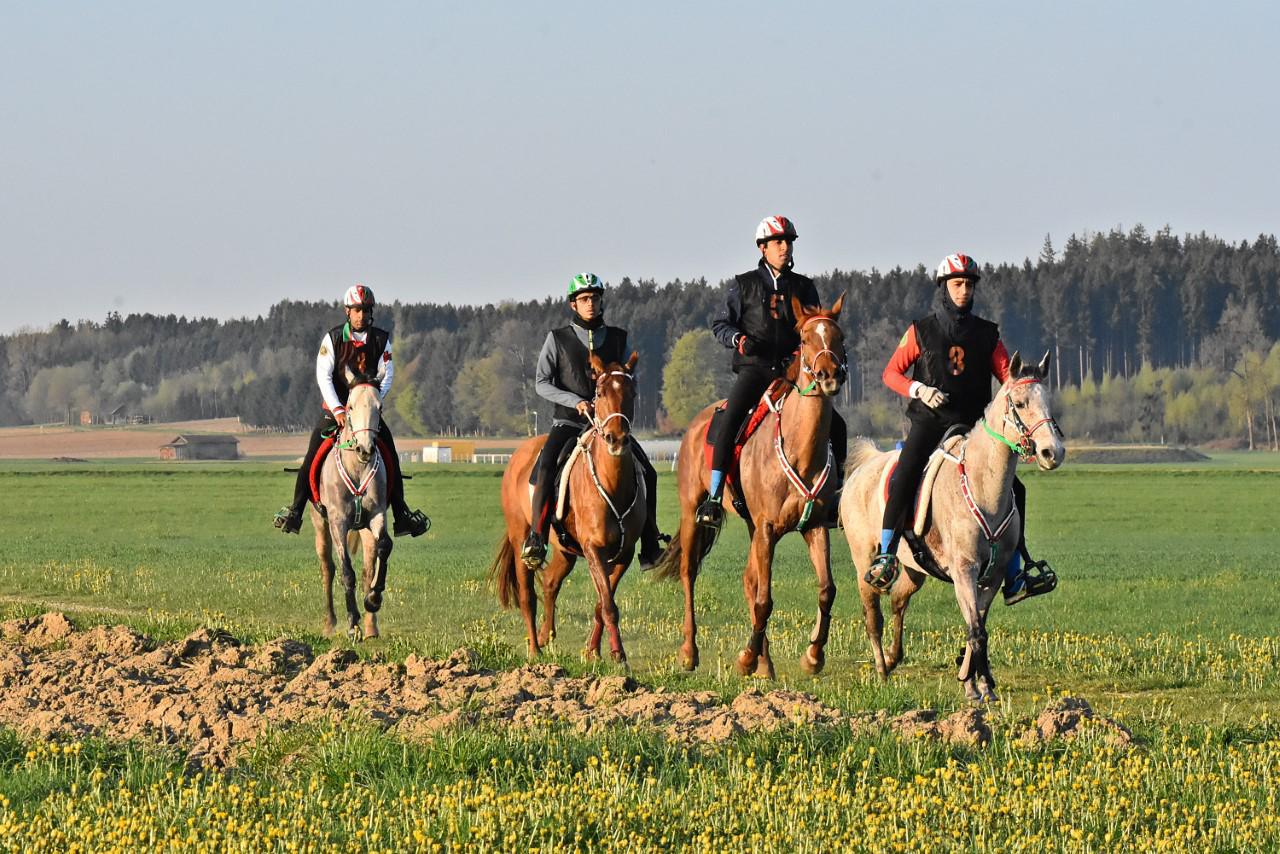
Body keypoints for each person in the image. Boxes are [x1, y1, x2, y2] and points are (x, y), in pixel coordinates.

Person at [869, 253, 1054, 605]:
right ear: (944, 287)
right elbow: (890, 373)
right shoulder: (920, 331)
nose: (964, 290)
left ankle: (1016, 570)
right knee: (903, 474)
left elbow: (1008, 378)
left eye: (969, 284)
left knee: (1016, 489)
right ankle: (887, 554)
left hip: (972, 428)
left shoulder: (987, 334)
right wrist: (918, 389)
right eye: (957, 283)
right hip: (930, 422)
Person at [696, 215, 848, 531]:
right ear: (763, 248)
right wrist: (739, 340)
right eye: (779, 242)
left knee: (838, 425)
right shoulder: (744, 284)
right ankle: (713, 496)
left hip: (793, 374)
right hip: (754, 369)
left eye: (789, 242)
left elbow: (814, 328)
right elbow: (720, 325)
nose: (785, 247)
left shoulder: (805, 287)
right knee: (729, 419)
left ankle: (835, 498)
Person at [519, 273, 668, 570]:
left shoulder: (617, 338)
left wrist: (616, 397)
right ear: (574, 304)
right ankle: (537, 537)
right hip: (569, 422)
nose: (591, 304)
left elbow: (628, 374)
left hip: (608, 424)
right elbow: (541, 383)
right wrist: (574, 401)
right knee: (546, 467)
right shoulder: (557, 338)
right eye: (585, 299)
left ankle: (650, 543)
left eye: (596, 298)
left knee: (648, 472)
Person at [272, 284, 430, 537]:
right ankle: (296, 511)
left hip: (366, 413)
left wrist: (371, 401)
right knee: (312, 457)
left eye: (366, 310)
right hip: (336, 412)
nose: (362, 315)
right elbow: (323, 376)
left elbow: (387, 374)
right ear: (347, 311)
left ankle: (402, 516)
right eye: (357, 310)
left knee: (391, 457)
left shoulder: (381, 340)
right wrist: (338, 409)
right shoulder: (333, 339)